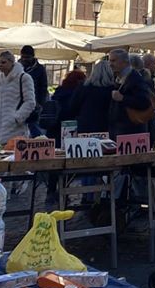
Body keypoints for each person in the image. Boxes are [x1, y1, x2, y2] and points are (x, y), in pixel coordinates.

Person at [45, 68, 86, 206]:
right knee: (67, 163)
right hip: (68, 131)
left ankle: (51, 191)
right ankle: (63, 192)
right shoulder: (76, 93)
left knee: (53, 164)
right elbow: (73, 111)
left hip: (53, 130)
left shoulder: (59, 91)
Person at [0, 51, 36, 144]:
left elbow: (30, 101)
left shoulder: (24, 78)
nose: (0, 65)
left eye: (3, 62)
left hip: (16, 129)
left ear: (12, 62)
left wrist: (17, 118)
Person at [107, 48, 151, 138]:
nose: (110, 64)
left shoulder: (135, 78)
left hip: (131, 131)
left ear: (125, 62)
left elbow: (145, 101)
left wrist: (123, 98)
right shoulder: (117, 77)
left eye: (113, 61)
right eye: (110, 61)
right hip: (118, 130)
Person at [70, 60, 115, 134]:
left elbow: (73, 107)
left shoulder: (83, 87)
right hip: (106, 127)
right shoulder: (112, 89)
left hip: (85, 126)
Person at [19, 45, 48, 137]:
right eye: (23, 57)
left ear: (33, 56)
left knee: (33, 126)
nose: (24, 59)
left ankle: (39, 142)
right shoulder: (17, 68)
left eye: (27, 57)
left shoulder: (40, 69)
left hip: (34, 103)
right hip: (18, 103)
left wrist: (40, 103)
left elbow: (43, 87)